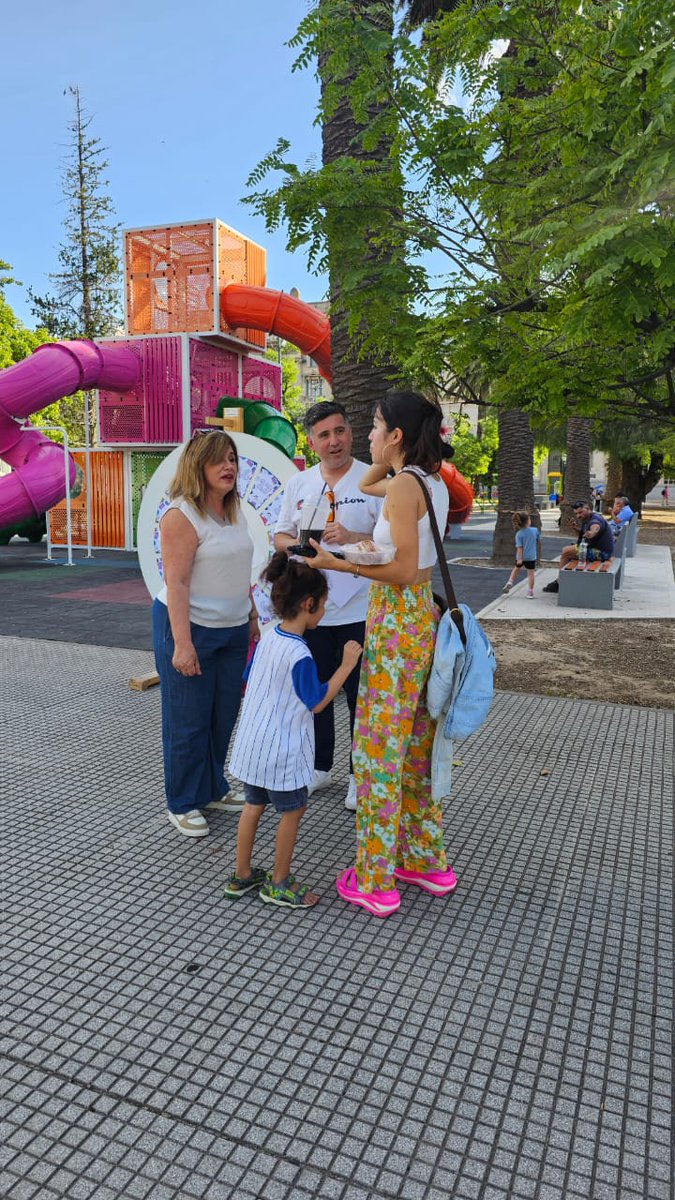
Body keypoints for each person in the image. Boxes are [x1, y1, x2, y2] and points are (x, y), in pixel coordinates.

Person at [306, 390, 458, 918]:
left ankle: (375, 879)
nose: (365, 435)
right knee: (414, 747)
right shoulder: (426, 481)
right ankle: (426, 861)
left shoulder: (405, 487)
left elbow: (402, 569)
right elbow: (371, 483)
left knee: (377, 751)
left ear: (396, 435)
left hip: (396, 618)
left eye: (374, 426)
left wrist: (338, 563)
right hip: (420, 619)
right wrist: (389, 456)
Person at [225, 554, 362, 910]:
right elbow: (317, 702)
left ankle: (241, 874)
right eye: (323, 605)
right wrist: (346, 666)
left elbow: (249, 678)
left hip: (253, 745)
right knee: (293, 811)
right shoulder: (300, 653)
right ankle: (280, 882)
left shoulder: (269, 637)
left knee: (253, 805)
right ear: (308, 604)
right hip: (282, 752)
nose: (324, 612)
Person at [274, 401, 381, 811]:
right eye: (324, 435)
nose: (333, 441)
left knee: (359, 696)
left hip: (360, 609)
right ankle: (319, 767)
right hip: (313, 612)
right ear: (312, 442)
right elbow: (279, 537)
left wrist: (352, 536)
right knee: (315, 691)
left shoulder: (374, 481)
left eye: (339, 431)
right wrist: (301, 544)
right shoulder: (299, 484)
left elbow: (390, 545)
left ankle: (358, 775)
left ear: (351, 433)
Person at [152, 430, 259, 838]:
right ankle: (182, 801)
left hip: (233, 629)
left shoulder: (234, 509)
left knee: (222, 716)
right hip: (189, 626)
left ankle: (213, 788)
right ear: (198, 466)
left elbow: (238, 569)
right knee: (188, 719)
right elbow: (177, 584)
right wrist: (182, 644)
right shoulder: (181, 515)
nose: (228, 466)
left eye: (232, 458)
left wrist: (251, 615)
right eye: (219, 459)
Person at [542, 499, 614, 592]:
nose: (578, 516)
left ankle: (560, 583)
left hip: (603, 553)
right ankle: (564, 579)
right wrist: (575, 528)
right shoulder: (587, 518)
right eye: (576, 513)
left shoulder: (595, 520)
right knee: (568, 550)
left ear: (588, 509)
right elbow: (584, 534)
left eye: (580, 512)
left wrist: (592, 533)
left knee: (566, 552)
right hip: (597, 549)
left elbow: (595, 527)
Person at [502, 512, 540, 598]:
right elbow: (538, 539)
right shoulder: (534, 530)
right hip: (531, 557)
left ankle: (510, 582)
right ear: (528, 521)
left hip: (521, 557)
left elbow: (520, 547)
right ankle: (530, 592)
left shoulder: (519, 534)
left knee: (516, 569)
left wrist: (520, 558)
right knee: (531, 573)